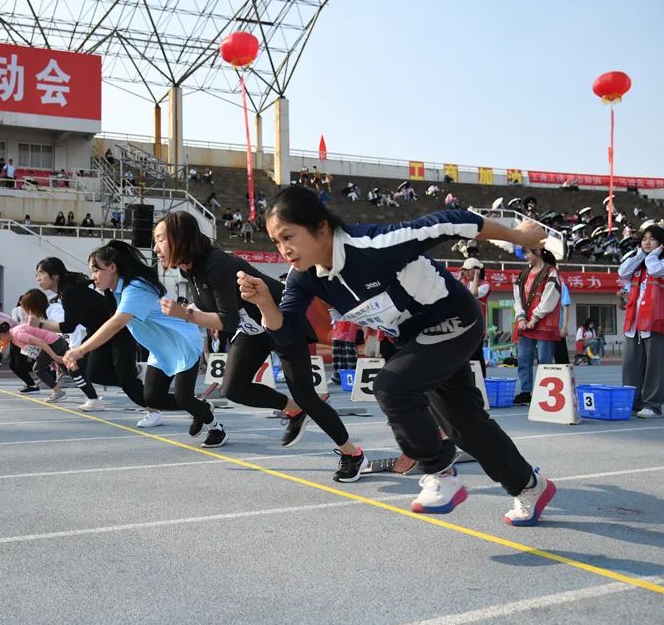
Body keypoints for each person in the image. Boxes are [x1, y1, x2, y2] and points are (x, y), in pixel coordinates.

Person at [237, 186, 555, 525]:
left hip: (455, 320)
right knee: (464, 426)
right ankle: (530, 486)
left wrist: (518, 237)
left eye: (288, 236)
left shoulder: (373, 245)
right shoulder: (304, 279)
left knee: (390, 387)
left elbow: (449, 222)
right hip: (416, 340)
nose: (284, 249)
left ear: (321, 227)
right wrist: (264, 304)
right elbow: (286, 335)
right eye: (276, 242)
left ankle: (440, 474)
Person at [153, 212, 366, 471]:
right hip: (252, 330)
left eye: (160, 239)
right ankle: (294, 411)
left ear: (179, 238)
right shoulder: (191, 271)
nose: (156, 247)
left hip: (280, 322)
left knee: (307, 396)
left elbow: (227, 321)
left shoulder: (215, 263)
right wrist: (190, 310)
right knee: (233, 389)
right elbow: (217, 309)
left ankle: (353, 454)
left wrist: (186, 314)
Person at [63, 241, 227, 447]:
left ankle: (216, 428)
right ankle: (201, 407)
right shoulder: (118, 291)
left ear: (112, 268)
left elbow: (116, 322)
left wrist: (80, 350)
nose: (93, 276)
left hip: (181, 342)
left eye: (96, 270)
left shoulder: (136, 288)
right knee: (152, 398)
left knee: (183, 397)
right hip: (160, 349)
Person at [36, 257, 153, 417]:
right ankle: (131, 380)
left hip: (113, 331)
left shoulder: (70, 290)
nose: (38, 278)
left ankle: (153, 404)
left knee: (120, 380)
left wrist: (40, 325)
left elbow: (69, 326)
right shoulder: (66, 291)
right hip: (98, 331)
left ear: (55, 275)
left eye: (41, 273)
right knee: (92, 371)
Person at [618, 225, 664, 418]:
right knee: (630, 364)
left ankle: (653, 404)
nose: (647, 242)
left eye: (652, 239)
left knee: (655, 364)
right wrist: (638, 254)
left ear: (661, 243)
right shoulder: (639, 263)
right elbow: (622, 271)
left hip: (656, 320)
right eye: (644, 239)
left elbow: (655, 269)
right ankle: (631, 402)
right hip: (634, 322)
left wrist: (654, 253)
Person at [11, 289, 102, 409]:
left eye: (28, 309)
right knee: (77, 371)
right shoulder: (49, 313)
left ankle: (94, 399)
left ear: (34, 306)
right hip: (83, 339)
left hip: (86, 338)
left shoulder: (54, 312)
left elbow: (73, 328)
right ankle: (93, 399)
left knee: (80, 371)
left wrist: (74, 350)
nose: (28, 313)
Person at [512, 248, 561, 405]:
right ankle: (526, 392)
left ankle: (545, 392)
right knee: (523, 358)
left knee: (544, 360)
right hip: (525, 323)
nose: (526, 257)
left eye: (527, 253)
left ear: (538, 252)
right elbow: (517, 297)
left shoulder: (551, 272)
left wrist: (535, 317)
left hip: (543, 323)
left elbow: (550, 297)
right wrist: (520, 317)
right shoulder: (524, 273)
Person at [458, 257, 490, 377]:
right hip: (465, 324)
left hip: (477, 325)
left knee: (476, 354)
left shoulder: (485, 284)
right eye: (464, 270)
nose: (465, 273)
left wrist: (476, 277)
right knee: (465, 356)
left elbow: (474, 294)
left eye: (467, 270)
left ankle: (481, 379)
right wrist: (459, 279)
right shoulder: (465, 283)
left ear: (476, 270)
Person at [553, 282, 572, 365]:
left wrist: (564, 326)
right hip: (543, 331)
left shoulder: (560, 285)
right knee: (544, 362)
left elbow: (565, 307)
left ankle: (564, 377)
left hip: (558, 330)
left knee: (562, 361)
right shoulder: (540, 284)